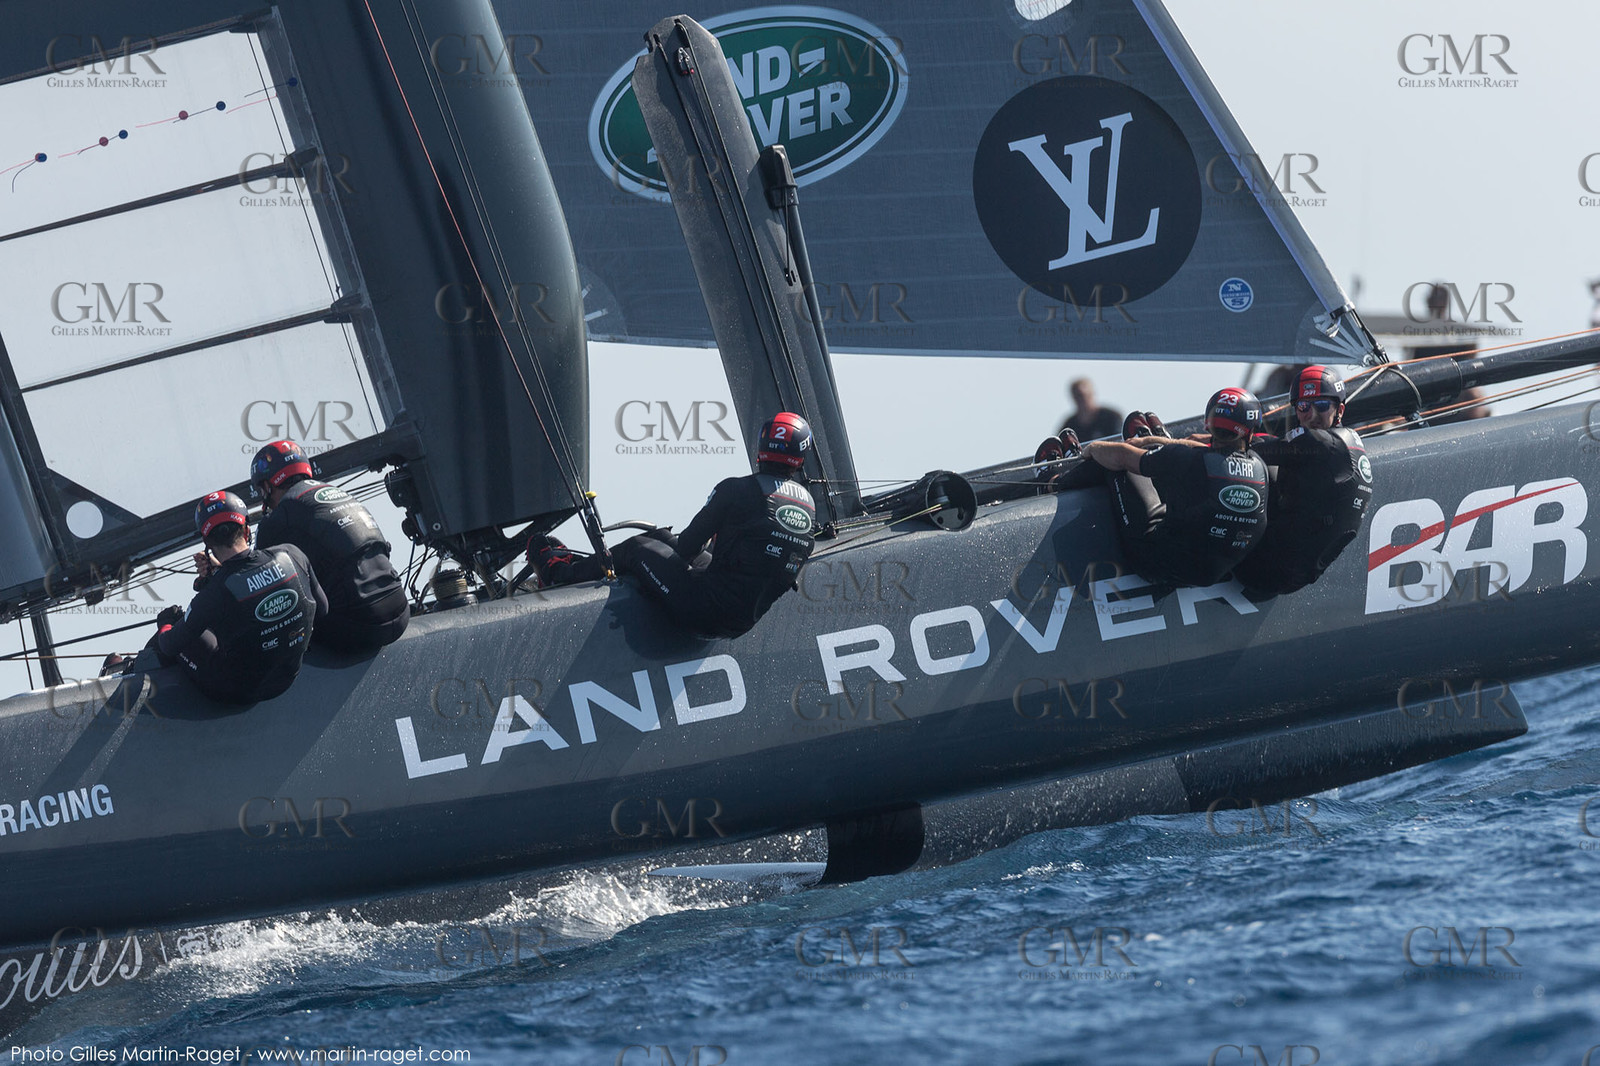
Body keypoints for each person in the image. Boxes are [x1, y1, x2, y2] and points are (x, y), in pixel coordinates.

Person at [612, 411, 818, 637]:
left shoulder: (734, 489)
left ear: (762, 445)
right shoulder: (809, 505)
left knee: (636, 547)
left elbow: (686, 547)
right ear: (800, 456)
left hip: (702, 612)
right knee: (661, 537)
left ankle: (567, 569)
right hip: (742, 623)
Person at [1078, 389, 1269, 588]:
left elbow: (1122, 457)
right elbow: (1208, 452)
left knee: (1116, 465)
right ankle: (1157, 443)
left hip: (1157, 567)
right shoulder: (1260, 465)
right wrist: (1156, 443)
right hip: (1213, 573)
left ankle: (1054, 478)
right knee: (1175, 471)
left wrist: (1093, 448)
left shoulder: (1188, 459)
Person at [153, 491, 326, 703]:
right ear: (246, 529)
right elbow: (322, 609)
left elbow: (170, 645)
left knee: (176, 623)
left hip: (243, 691)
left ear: (207, 541)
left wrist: (165, 623)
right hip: (290, 675)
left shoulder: (213, 594)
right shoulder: (291, 554)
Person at [247, 440, 409, 652]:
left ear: (268, 486)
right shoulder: (337, 493)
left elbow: (257, 582)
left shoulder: (279, 519)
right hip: (400, 608)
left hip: (361, 627)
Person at [1233, 366, 1374, 596]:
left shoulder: (1316, 441)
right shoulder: (1348, 440)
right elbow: (1281, 445)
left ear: (1339, 409)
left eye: (1321, 406)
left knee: (1250, 466)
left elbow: (1248, 449)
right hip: (1297, 575)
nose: (1312, 415)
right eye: (1303, 407)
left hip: (1260, 572)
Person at [1059, 377, 1123, 441]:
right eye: (1078, 396)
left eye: (1085, 395)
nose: (1083, 400)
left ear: (1092, 394)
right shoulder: (1069, 427)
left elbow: (1121, 442)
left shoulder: (1112, 417)